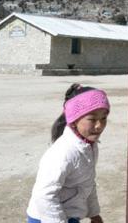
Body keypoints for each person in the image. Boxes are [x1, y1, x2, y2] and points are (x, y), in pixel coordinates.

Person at [26, 83, 110, 223]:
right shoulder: (63, 153)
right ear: (74, 120)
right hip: (45, 217)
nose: (99, 125)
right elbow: (45, 195)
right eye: (92, 119)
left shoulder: (89, 146)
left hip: (69, 216)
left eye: (103, 118)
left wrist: (94, 213)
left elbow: (87, 183)